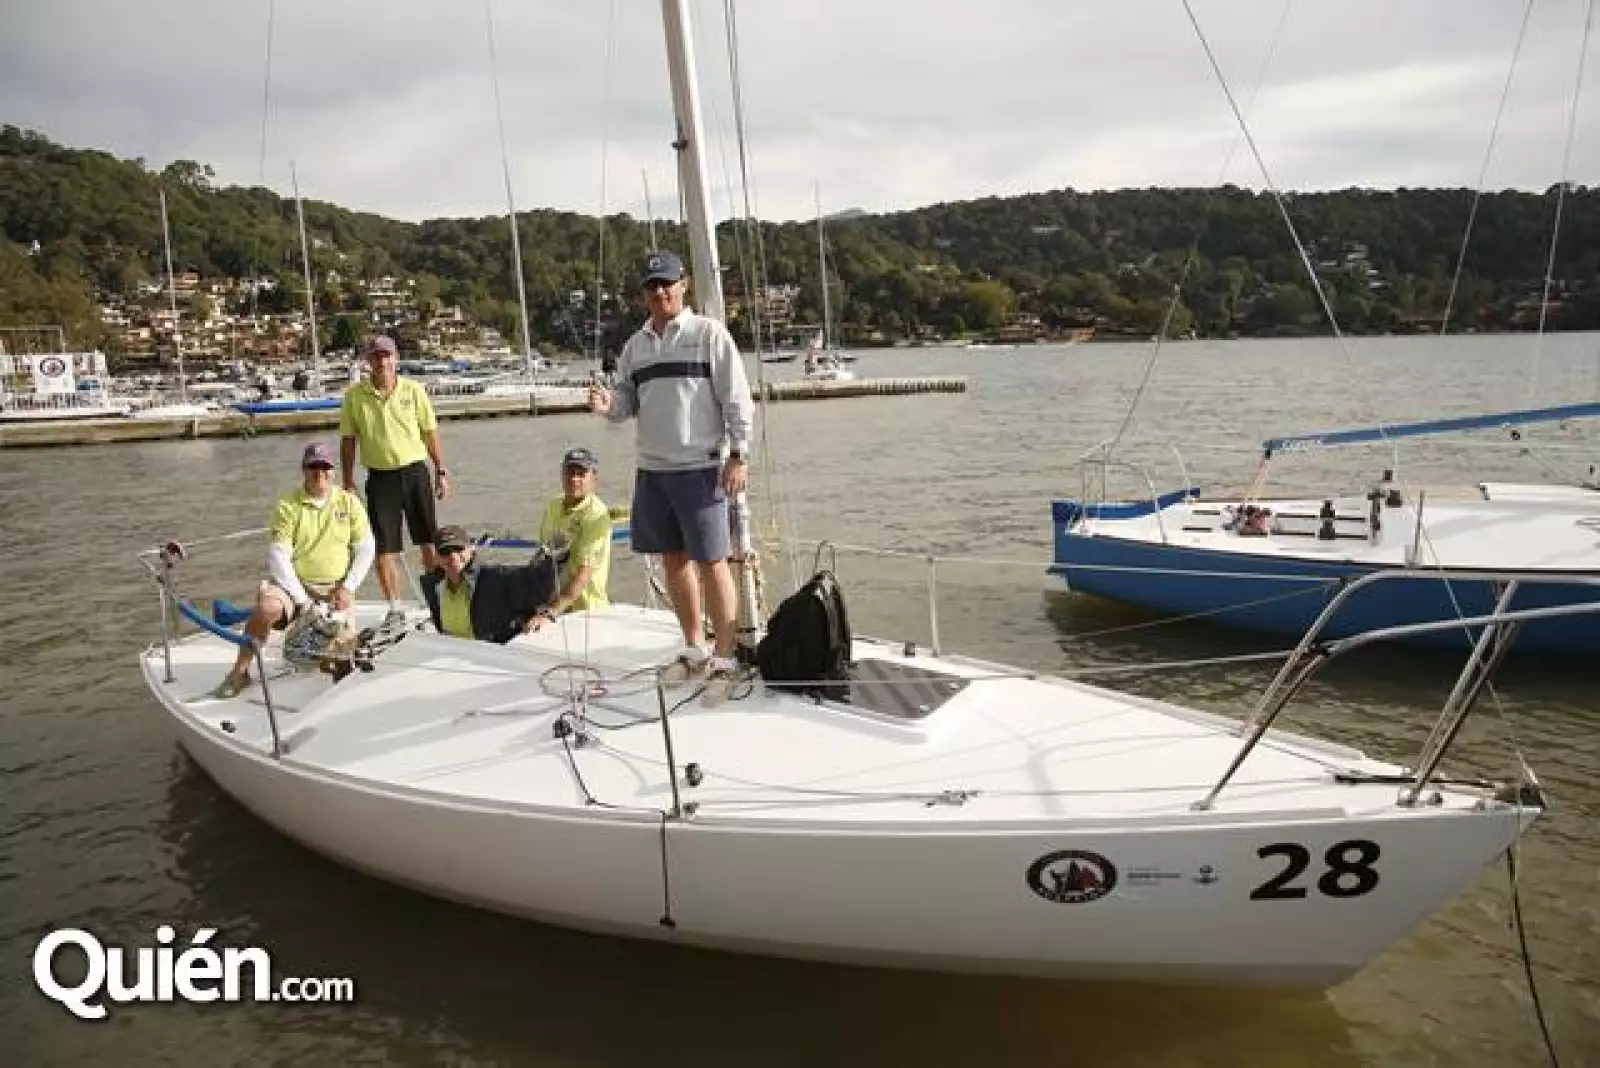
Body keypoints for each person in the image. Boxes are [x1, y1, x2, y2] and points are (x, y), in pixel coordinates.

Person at [588, 250, 756, 705]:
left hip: (702, 468)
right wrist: (608, 408)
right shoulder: (635, 347)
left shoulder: (709, 335)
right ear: (644, 293)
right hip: (653, 471)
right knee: (674, 561)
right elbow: (626, 403)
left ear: (684, 285)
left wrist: (739, 456)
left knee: (713, 561)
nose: (659, 292)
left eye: (666, 283)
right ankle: (693, 649)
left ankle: (725, 658)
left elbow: (738, 400)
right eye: (651, 286)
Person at [210, 441, 375, 698]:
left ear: (334, 470)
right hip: (292, 585)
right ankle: (239, 672)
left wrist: (348, 587)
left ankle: (332, 664)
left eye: (325, 466)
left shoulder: (350, 503)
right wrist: (302, 600)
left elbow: (366, 548)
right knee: (267, 609)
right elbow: (278, 556)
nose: (320, 472)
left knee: (345, 658)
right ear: (303, 469)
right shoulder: (288, 505)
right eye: (313, 466)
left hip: (336, 588)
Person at [339, 334, 450, 623]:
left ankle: (437, 600)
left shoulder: (414, 391)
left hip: (415, 472)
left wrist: (440, 470)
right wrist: (348, 479)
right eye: (376, 357)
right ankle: (395, 606)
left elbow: (430, 432)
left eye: (387, 356)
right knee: (385, 547)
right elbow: (349, 440)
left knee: (428, 540)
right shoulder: (354, 397)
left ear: (396, 358)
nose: (382, 362)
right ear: (368, 361)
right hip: (380, 479)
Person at [420, 525, 559, 644]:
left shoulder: (493, 578)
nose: (453, 557)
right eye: (445, 552)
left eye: (458, 549)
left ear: (472, 549)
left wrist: (556, 557)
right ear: (436, 557)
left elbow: (538, 587)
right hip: (452, 659)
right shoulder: (435, 587)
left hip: (487, 657)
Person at [528, 446, 613, 631]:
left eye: (581, 474)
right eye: (569, 472)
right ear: (561, 474)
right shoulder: (553, 506)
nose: (574, 479)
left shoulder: (596, 514)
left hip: (587, 612)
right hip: (556, 608)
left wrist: (550, 613)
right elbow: (543, 556)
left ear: (594, 477)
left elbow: (584, 574)